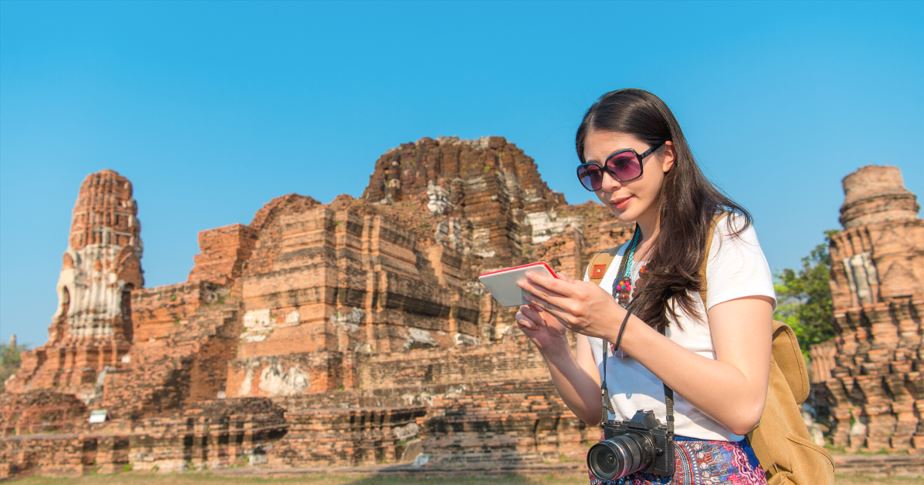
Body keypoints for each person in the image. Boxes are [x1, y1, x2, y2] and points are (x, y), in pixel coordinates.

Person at [515, 88, 775, 484]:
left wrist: (616, 324)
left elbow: (742, 406)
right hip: (620, 467)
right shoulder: (604, 268)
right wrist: (554, 348)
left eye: (623, 163)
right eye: (593, 172)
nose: (608, 184)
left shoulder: (722, 237)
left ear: (667, 156)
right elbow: (591, 409)